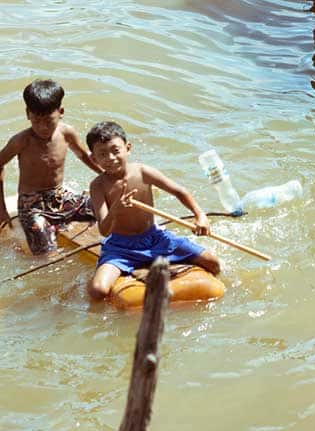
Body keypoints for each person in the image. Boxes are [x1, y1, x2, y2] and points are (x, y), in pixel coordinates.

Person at [85, 120, 222, 301]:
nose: (110, 158)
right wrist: (116, 209)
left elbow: (179, 191)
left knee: (213, 263)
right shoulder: (98, 186)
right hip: (121, 247)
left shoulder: (143, 172)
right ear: (94, 159)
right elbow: (104, 230)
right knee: (97, 291)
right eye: (102, 154)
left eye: (115, 150)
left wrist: (200, 215)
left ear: (128, 148)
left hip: (155, 239)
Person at [0, 79, 101, 255]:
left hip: (59, 196)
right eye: (36, 120)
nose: (42, 127)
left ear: (61, 112)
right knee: (46, 252)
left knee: (102, 207)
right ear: (28, 114)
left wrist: (106, 175)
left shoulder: (66, 133)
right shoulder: (21, 141)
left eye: (49, 121)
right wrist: (1, 208)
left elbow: (84, 156)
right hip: (31, 204)